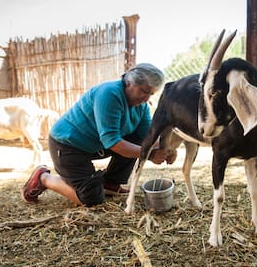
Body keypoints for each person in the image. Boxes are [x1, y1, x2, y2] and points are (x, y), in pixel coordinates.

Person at [21, 63, 170, 207]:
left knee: (137, 139)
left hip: (95, 145)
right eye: (144, 91)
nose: (146, 99)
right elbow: (112, 142)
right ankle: (44, 178)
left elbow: (147, 136)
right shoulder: (110, 93)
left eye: (151, 94)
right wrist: (149, 154)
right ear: (129, 82)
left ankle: (111, 183)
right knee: (90, 199)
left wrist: (166, 148)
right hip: (69, 145)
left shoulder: (141, 106)